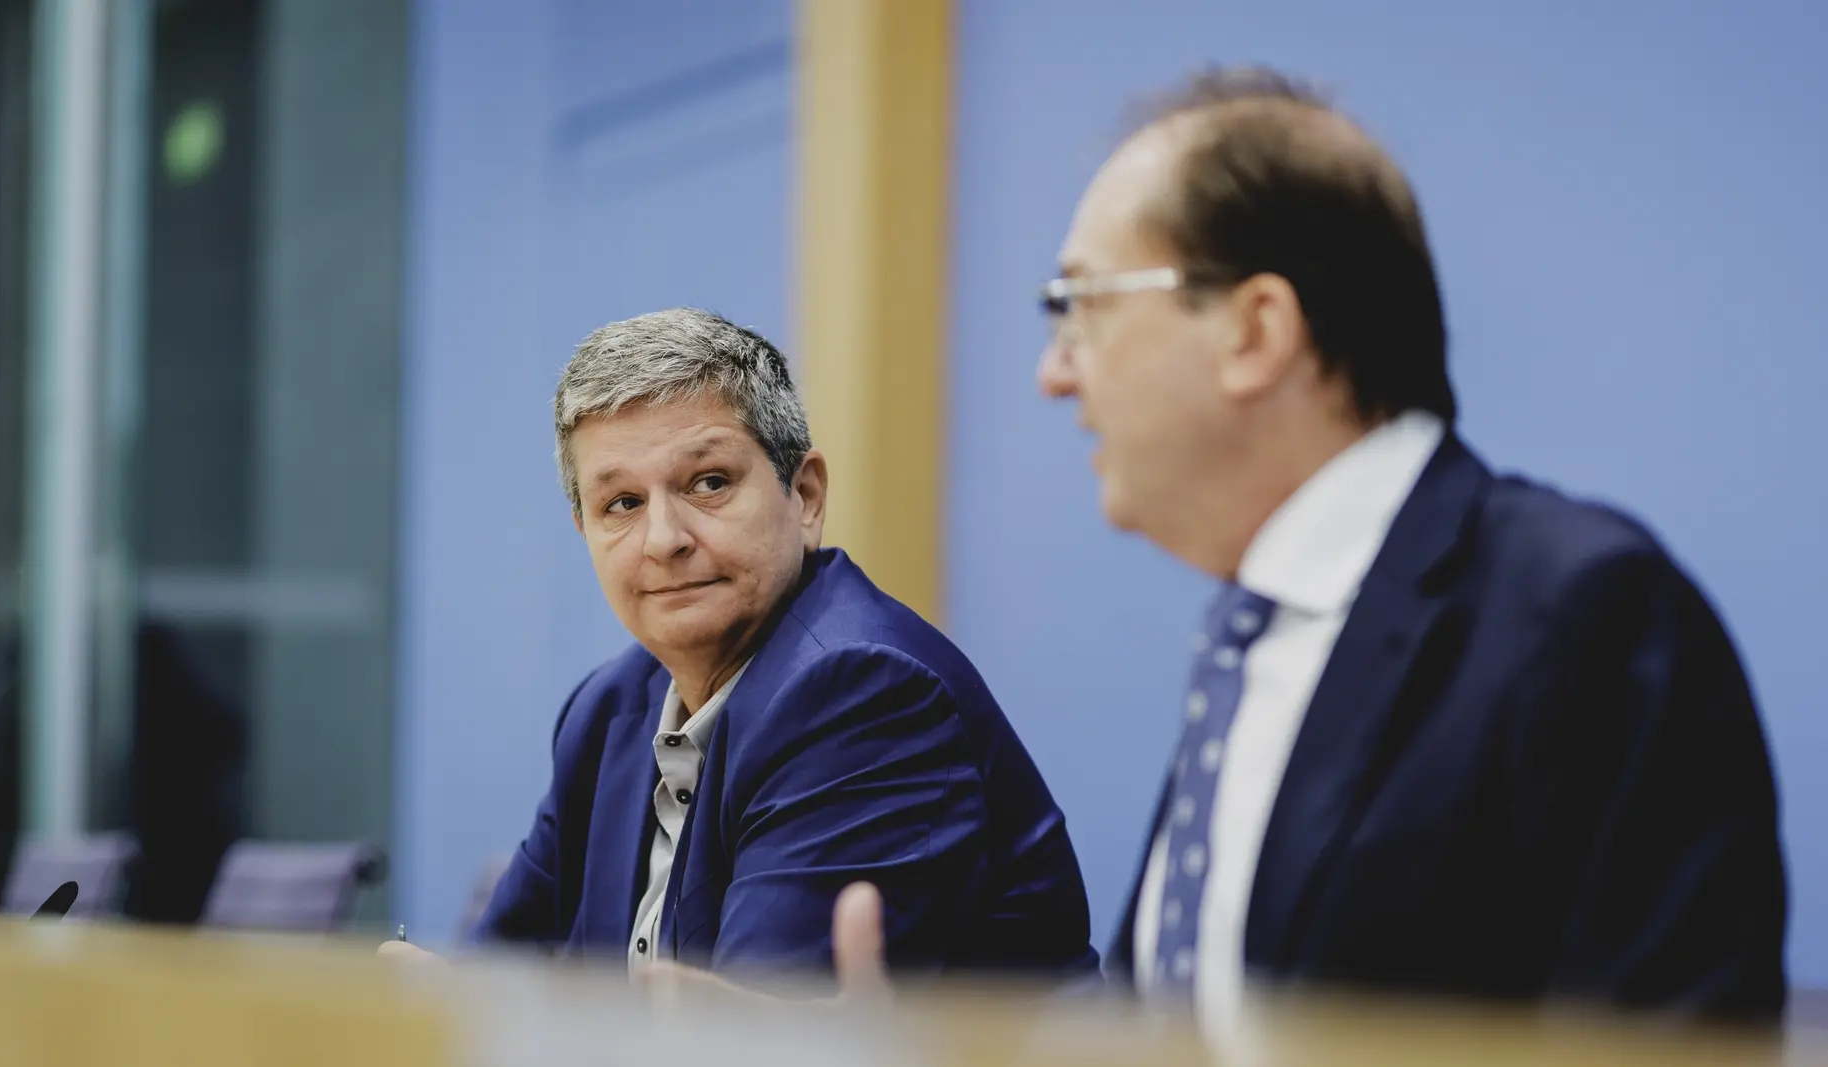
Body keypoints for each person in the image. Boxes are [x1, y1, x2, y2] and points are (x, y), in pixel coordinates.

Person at [662, 66, 1790, 1024]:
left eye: (1082, 305)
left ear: (1255, 330)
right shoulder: (1252, 638)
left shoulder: (1580, 612)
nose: (1055, 372)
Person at [382, 308, 1097, 983]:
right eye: (621, 504)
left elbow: (750, 1040)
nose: (664, 539)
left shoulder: (862, 694)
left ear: (806, 495)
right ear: (585, 533)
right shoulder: (608, 712)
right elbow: (495, 989)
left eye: (709, 482)